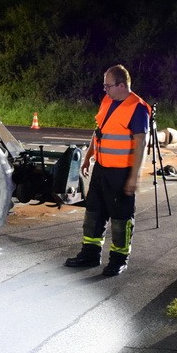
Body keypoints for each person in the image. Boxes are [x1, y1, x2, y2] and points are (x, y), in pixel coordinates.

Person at [64, 64, 151, 276]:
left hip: (121, 173)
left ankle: (119, 259)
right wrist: (88, 156)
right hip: (102, 168)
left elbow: (141, 143)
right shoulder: (108, 101)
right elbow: (99, 131)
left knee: (121, 218)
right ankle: (90, 254)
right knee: (94, 213)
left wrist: (135, 176)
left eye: (108, 86)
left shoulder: (137, 108)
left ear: (122, 85)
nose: (105, 90)